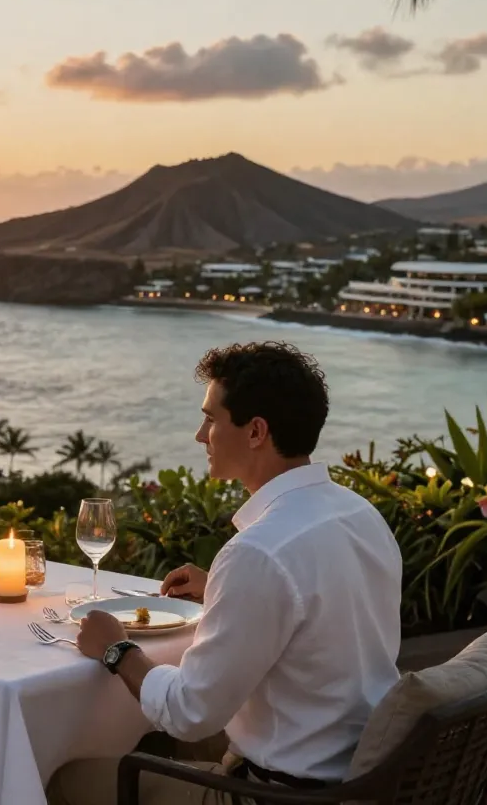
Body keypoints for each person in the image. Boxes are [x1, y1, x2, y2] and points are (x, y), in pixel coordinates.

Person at [47, 342, 403, 805]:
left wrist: (115, 648)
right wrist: (222, 586)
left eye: (211, 419)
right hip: (352, 772)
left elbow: (188, 713)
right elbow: (317, 608)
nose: (200, 435)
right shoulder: (359, 515)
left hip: (279, 795)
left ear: (256, 431)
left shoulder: (259, 552)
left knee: (63, 779)